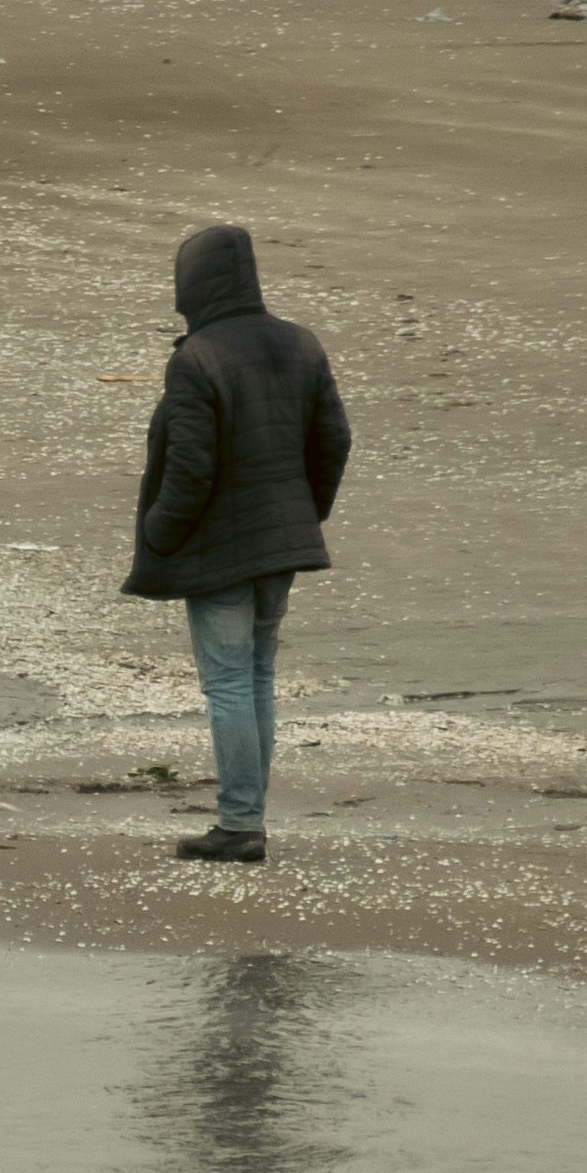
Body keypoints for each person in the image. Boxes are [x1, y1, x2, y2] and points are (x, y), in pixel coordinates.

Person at [122, 224, 351, 863]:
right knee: (257, 675)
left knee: (228, 683)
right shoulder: (302, 343)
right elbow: (334, 440)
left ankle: (240, 824)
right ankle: (244, 817)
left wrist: (158, 531)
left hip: (221, 553)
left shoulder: (196, 357)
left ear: (194, 283)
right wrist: (306, 514)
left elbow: (190, 468)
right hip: (281, 546)